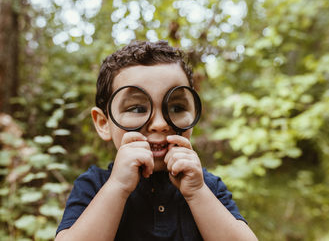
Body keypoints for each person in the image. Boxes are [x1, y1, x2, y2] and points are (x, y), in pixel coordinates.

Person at [55, 40, 258, 241]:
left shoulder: (208, 187)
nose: (160, 124)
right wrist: (117, 186)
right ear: (103, 123)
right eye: (137, 108)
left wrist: (196, 193)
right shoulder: (94, 186)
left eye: (176, 108)